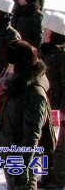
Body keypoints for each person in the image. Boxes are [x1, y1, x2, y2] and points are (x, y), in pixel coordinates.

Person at [0, 40, 54, 190]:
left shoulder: (34, 93)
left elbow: (32, 134)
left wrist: (24, 167)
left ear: (20, 67)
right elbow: (12, 119)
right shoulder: (16, 86)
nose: (8, 69)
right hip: (11, 153)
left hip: (23, 157)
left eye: (11, 65)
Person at [41, 10, 65, 190]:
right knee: (48, 145)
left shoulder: (62, 57)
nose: (43, 32)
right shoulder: (46, 53)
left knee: (61, 148)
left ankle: (57, 181)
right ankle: (48, 176)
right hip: (49, 108)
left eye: (46, 30)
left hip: (60, 111)